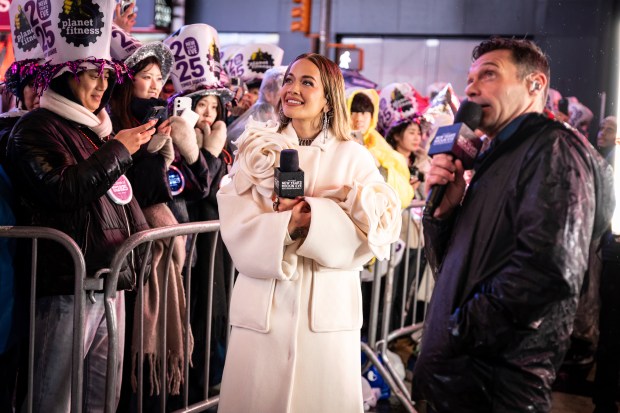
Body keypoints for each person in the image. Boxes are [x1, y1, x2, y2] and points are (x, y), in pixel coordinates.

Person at [411, 37, 614, 413]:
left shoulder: (553, 150)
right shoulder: (494, 155)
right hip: (460, 377)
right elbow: (455, 269)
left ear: (535, 84)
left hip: (495, 385)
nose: (471, 87)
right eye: (471, 77)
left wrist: (459, 330)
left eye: (489, 74)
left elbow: (547, 271)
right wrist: (444, 213)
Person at [216, 53, 401, 413]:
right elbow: (236, 224)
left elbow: (371, 235)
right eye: (288, 80)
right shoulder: (256, 150)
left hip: (326, 317)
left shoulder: (354, 157)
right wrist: (287, 228)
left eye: (306, 82)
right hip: (263, 313)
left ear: (329, 97)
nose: (292, 89)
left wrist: (312, 218)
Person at [5, 1, 153, 410]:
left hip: (107, 282)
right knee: (54, 400)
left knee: (101, 397)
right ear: (66, 78)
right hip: (65, 286)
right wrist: (119, 151)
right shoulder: (32, 129)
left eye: (106, 75)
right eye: (92, 74)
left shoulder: (93, 130)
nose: (103, 85)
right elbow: (62, 190)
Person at [592, 116, 620, 413]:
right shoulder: (604, 163)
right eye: (601, 128)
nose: (602, 133)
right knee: (610, 332)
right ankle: (604, 400)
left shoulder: (612, 163)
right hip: (613, 253)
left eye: (609, 129)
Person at [347, 88, 414, 208]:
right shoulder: (337, 141)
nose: (359, 118)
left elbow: (404, 195)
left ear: (372, 116)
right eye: (353, 112)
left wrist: (379, 167)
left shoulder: (379, 145)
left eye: (364, 113)